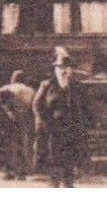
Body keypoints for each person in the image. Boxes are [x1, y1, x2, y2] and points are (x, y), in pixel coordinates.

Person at [33, 46, 89, 187]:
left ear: (71, 70)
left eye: (66, 68)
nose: (63, 71)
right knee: (55, 167)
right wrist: (45, 123)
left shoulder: (78, 87)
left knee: (69, 169)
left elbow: (86, 108)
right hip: (53, 132)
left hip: (73, 132)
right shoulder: (47, 85)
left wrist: (85, 124)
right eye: (60, 68)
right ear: (55, 70)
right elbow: (37, 105)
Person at [0, 70, 37, 180]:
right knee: (24, 144)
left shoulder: (6, 88)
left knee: (9, 144)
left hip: (9, 117)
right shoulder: (30, 90)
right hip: (25, 118)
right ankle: (21, 172)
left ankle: (8, 170)